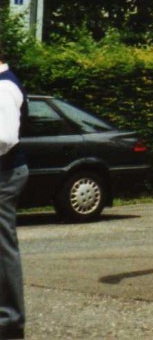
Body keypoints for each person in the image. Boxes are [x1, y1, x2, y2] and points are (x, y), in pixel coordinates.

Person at [0, 51, 27, 340]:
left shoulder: (4, 88)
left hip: (4, 174)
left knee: (2, 247)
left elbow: (4, 138)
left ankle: (9, 321)